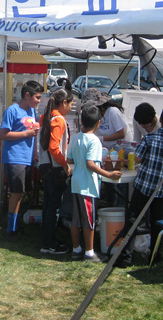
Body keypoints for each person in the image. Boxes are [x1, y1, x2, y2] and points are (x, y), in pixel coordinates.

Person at [115, 106, 163, 267]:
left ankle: (125, 257)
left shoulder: (149, 138)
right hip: (160, 191)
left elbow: (138, 159)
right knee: (156, 224)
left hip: (142, 186)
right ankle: (155, 257)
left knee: (133, 219)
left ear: (160, 119)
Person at [67, 105, 122, 262]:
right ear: (98, 122)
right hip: (88, 185)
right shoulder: (95, 141)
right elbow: (90, 164)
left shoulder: (76, 138)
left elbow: (69, 159)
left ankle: (76, 248)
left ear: (82, 121)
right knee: (89, 220)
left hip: (76, 183)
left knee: (76, 219)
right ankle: (89, 252)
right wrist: (109, 175)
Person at [0, 80, 44, 241]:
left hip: (27, 158)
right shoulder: (12, 110)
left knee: (21, 193)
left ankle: (16, 225)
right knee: (16, 193)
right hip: (14, 157)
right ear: (27, 95)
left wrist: (34, 153)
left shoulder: (32, 111)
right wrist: (26, 134)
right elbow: (3, 134)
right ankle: (11, 230)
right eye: (37, 97)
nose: (39, 101)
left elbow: (34, 134)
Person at [37, 88, 73, 255]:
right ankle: (49, 243)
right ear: (64, 103)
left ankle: (47, 240)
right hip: (54, 168)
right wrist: (65, 164)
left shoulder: (46, 117)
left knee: (48, 205)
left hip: (45, 165)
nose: (71, 108)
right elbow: (54, 147)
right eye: (70, 104)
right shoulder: (58, 119)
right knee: (53, 206)